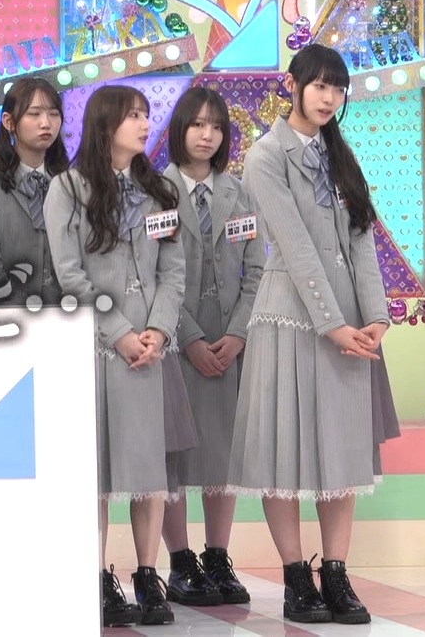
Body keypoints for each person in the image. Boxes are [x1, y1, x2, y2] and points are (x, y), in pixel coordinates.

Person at [229, 44, 388, 625]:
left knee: (341, 448)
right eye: (319, 85)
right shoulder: (265, 155)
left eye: (338, 88)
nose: (328, 97)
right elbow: (295, 247)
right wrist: (333, 325)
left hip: (349, 322)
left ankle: (337, 574)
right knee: (284, 450)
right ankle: (297, 577)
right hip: (290, 318)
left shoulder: (340, 155)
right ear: (292, 85)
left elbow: (362, 240)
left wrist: (375, 317)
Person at [42, 84, 186, 627]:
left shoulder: (160, 190)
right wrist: (120, 331)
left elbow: (174, 272)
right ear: (105, 125)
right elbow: (69, 274)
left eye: (146, 115)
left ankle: (148, 575)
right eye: (133, 116)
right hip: (96, 347)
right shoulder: (68, 188)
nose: (145, 124)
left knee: (148, 468)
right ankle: (97, 575)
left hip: (150, 348)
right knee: (97, 467)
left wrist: (158, 330)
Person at [158, 87, 264, 607]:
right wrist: (190, 338)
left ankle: (217, 557)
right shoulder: (154, 192)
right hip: (171, 340)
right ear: (179, 129)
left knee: (223, 453)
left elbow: (258, 269)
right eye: (198, 124)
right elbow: (150, 275)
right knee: (174, 456)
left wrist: (238, 333)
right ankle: (180, 562)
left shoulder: (239, 193)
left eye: (217, 126)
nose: (207, 135)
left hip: (228, 343)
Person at [0, 77, 68, 306]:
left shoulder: (68, 183)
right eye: (34, 114)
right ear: (8, 121)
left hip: (63, 311)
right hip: (7, 311)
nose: (46, 123)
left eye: (54, 114)